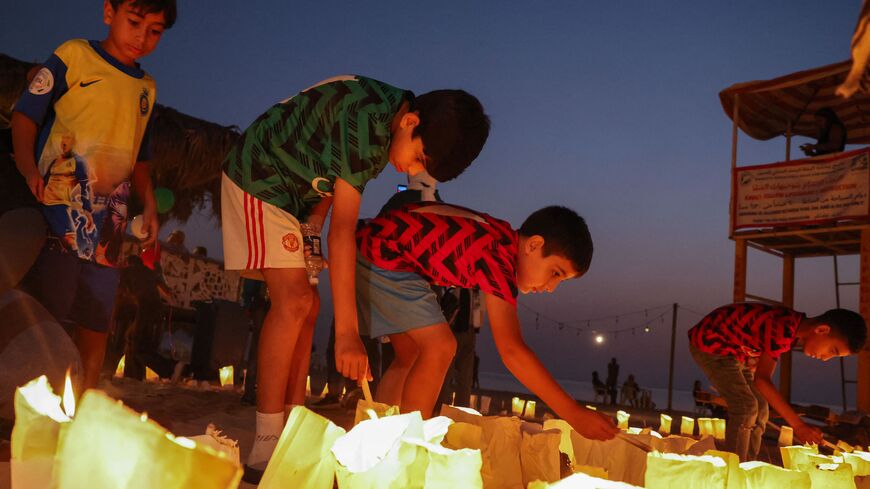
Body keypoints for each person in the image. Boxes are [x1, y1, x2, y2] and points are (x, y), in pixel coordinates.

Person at [220, 75, 489, 480]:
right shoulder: (369, 123)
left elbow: (325, 161)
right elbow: (344, 231)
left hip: (297, 199)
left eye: (421, 170)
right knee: (293, 302)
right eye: (418, 159)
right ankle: (266, 441)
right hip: (260, 175)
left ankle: (292, 425)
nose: (411, 169)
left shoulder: (387, 119)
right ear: (411, 122)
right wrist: (347, 333)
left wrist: (311, 228)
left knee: (308, 307)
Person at [12, 0, 176, 390]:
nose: (142, 37)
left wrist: (150, 204)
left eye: (154, 31)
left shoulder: (146, 88)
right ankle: (23, 404)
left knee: (97, 318)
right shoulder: (74, 56)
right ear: (109, 12)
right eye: (134, 22)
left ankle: (82, 408)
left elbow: (140, 158)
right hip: (58, 210)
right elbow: (26, 115)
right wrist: (28, 168)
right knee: (46, 312)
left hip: (111, 227)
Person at [356, 202, 618, 440]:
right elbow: (512, 350)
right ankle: (407, 446)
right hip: (384, 255)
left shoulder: (497, 235)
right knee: (440, 347)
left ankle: (379, 435)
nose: (551, 287)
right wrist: (573, 412)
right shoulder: (498, 258)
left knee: (411, 354)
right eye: (555, 273)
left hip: (373, 246)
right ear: (534, 245)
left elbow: (434, 208)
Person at [688, 302, 866, 462]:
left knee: (761, 407)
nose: (826, 358)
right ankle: (734, 467)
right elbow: (762, 380)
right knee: (746, 406)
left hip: (735, 354)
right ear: (821, 330)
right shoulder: (784, 328)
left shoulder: (791, 326)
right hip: (710, 344)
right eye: (833, 351)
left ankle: (747, 463)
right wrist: (798, 425)